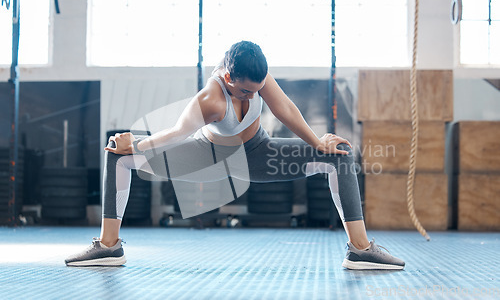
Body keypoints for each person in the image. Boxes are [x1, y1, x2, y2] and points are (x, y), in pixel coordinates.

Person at [65, 41, 405, 270]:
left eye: (256, 90)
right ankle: (109, 247)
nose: (251, 94)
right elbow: (177, 133)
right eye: (244, 90)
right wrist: (135, 145)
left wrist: (318, 142)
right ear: (228, 77)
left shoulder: (256, 75)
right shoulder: (210, 100)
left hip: (259, 152)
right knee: (116, 155)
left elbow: (284, 108)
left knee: (339, 155)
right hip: (207, 156)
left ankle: (360, 251)